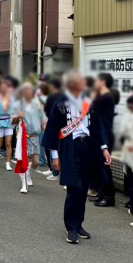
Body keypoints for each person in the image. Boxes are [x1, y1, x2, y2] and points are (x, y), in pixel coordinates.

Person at [43, 71, 112, 244]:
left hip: (88, 147)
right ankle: (71, 227)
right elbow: (52, 130)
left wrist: (104, 148)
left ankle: (79, 223)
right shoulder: (60, 103)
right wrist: (55, 157)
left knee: (83, 189)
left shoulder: (88, 102)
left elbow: (97, 127)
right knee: (74, 188)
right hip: (70, 148)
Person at [13, 82, 46, 194]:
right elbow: (11, 120)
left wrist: (45, 127)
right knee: (24, 161)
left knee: (36, 162)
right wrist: (18, 116)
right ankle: (23, 184)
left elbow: (43, 119)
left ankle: (29, 175)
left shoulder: (37, 104)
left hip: (35, 136)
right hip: (24, 137)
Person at [91, 73, 116, 207]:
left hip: (104, 135)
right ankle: (101, 193)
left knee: (104, 166)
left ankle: (109, 196)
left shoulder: (106, 97)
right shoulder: (102, 97)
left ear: (103, 82)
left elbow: (91, 107)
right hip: (98, 134)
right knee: (98, 166)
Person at [0, 76, 15, 170]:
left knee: (8, 143)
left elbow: (14, 109)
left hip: (9, 121)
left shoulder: (11, 98)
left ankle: (8, 163)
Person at [42, 79, 62, 181]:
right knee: (52, 149)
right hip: (53, 123)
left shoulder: (56, 98)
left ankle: (57, 173)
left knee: (55, 148)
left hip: (56, 125)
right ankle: (54, 171)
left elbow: (47, 109)